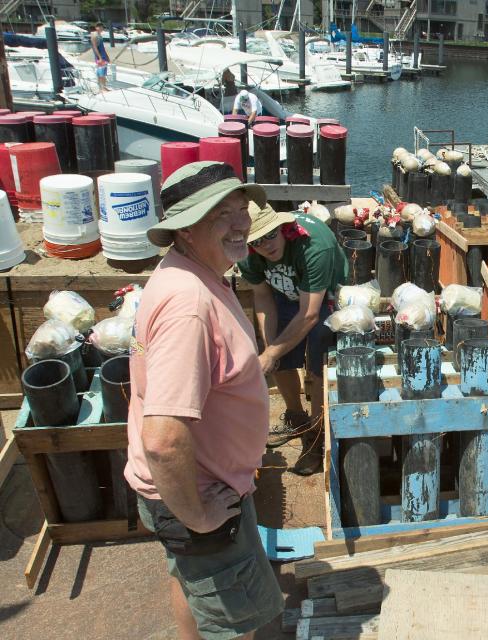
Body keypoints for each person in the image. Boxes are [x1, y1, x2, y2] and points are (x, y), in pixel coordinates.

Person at [125, 161, 284, 639]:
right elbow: (163, 440)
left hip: (195, 487)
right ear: (185, 229)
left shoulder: (193, 272)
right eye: (221, 214)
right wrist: (199, 518)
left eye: (242, 209)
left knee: (190, 580)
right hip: (201, 494)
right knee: (236, 622)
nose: (242, 223)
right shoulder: (188, 305)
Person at [238, 203, 347, 476]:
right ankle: (297, 419)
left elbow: (310, 314)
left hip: (323, 292)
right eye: (256, 240)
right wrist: (271, 346)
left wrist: (270, 353)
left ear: (282, 228)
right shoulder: (247, 255)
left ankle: (317, 431)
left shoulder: (314, 247)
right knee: (279, 356)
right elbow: (262, 297)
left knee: (319, 361)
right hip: (284, 292)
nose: (266, 245)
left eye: (270, 235)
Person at [91, 23, 110, 92]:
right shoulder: (95, 36)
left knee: (102, 72)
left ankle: (102, 87)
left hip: (103, 55)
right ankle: (102, 87)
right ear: (96, 27)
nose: (101, 29)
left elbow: (102, 47)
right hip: (100, 57)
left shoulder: (99, 36)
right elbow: (95, 48)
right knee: (101, 72)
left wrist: (106, 56)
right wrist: (100, 57)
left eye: (102, 27)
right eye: (100, 27)